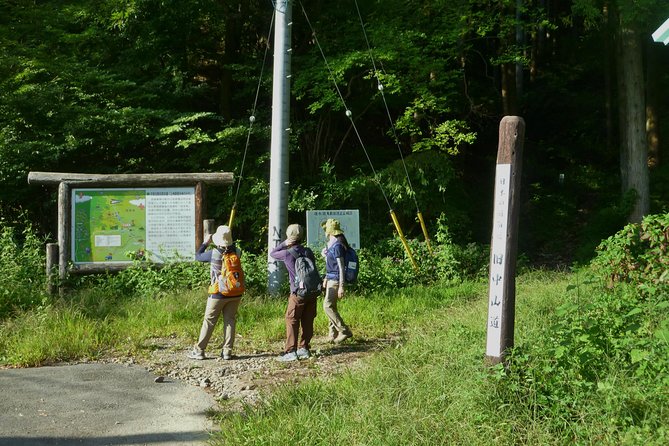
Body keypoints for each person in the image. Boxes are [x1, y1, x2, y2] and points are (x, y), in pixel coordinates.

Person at [188, 225, 242, 360]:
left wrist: (206, 242)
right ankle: (227, 351)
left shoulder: (213, 253)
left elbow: (197, 256)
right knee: (230, 320)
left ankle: (199, 350)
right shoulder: (238, 252)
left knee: (209, 321)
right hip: (235, 292)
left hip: (218, 293)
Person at [270, 224, 318, 362]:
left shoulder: (286, 253)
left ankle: (291, 351)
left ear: (289, 237)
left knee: (292, 319)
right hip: (311, 291)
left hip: (297, 292)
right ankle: (304, 348)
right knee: (308, 320)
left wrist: (284, 243)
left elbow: (273, 253)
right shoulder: (308, 251)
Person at [321, 218, 353, 343]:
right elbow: (331, 265)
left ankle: (344, 330)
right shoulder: (333, 245)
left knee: (327, 306)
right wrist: (325, 278)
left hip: (335, 281)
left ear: (329, 231)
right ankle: (332, 334)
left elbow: (340, 266)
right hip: (330, 279)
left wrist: (341, 286)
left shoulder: (337, 246)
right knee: (332, 306)